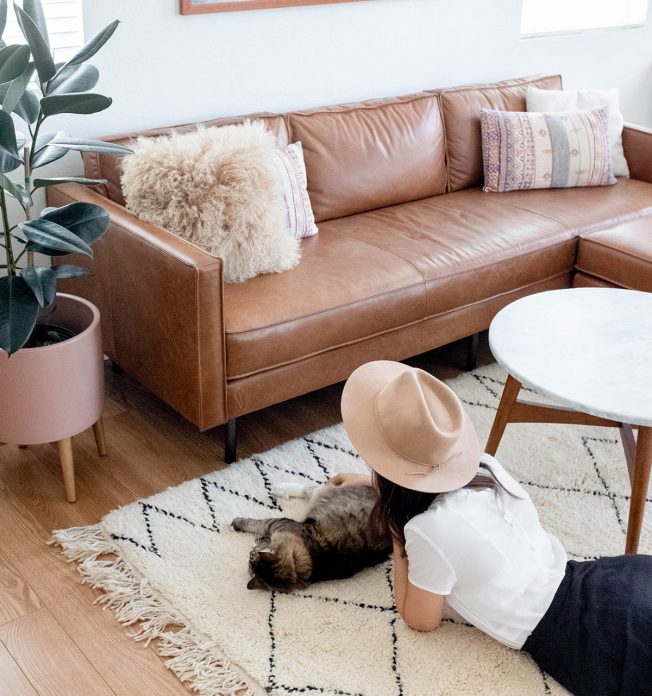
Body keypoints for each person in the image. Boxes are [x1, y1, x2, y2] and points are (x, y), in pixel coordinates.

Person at [327, 360, 652, 696]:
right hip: (607, 582)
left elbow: (420, 620)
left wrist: (397, 528)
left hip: (580, 633)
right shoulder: (487, 469)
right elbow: (438, 492)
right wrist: (375, 486)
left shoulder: (426, 531)